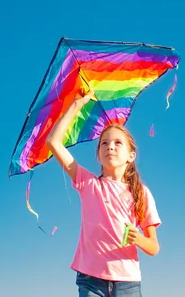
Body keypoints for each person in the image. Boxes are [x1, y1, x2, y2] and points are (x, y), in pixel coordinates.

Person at [46, 89, 162, 297]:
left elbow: (153, 247)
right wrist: (76, 105)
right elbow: (53, 142)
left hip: (128, 283)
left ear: (130, 155)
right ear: (98, 155)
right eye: (104, 143)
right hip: (91, 281)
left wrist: (138, 239)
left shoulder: (141, 193)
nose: (110, 147)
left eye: (118, 143)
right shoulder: (87, 182)